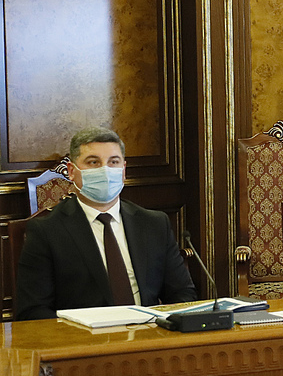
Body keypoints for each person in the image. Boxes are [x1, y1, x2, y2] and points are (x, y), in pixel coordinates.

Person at [15, 128, 197, 321]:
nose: (105, 170)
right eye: (93, 162)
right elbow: (32, 310)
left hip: (148, 333)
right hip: (83, 336)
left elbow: (183, 294)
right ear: (71, 171)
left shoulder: (154, 224)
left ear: (123, 170)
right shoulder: (46, 231)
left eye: (113, 162)